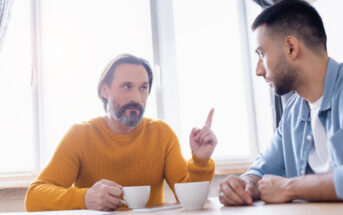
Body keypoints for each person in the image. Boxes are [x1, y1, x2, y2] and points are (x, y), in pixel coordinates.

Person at [25, 54, 217, 211]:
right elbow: (35, 196)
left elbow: (191, 200)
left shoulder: (162, 134)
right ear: (105, 91)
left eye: (143, 88)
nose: (136, 97)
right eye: (127, 87)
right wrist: (84, 198)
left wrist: (200, 161)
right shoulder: (80, 135)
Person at [219, 0, 343, 206]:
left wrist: (290, 187)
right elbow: (262, 169)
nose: (258, 70)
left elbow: (284, 186)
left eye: (262, 54)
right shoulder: (293, 112)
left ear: (291, 48)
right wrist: (243, 185)